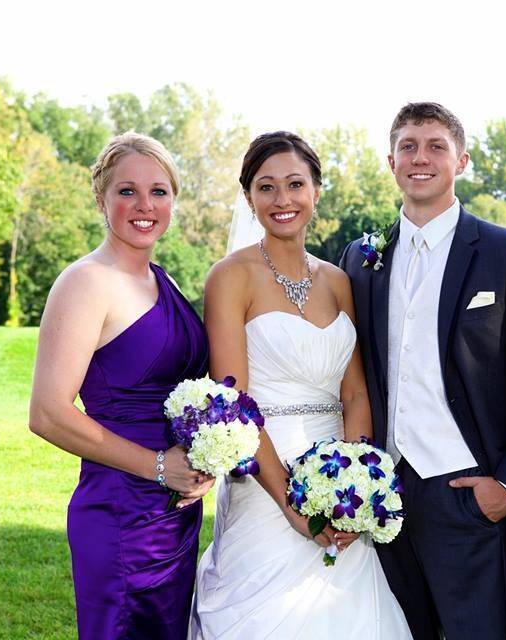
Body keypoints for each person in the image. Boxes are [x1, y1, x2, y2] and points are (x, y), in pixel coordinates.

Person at [339, 102, 506, 640]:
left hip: (468, 491)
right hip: (383, 492)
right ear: (390, 160)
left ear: (462, 160)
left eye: (435, 147)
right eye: (408, 146)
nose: (420, 158)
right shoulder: (361, 257)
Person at [189, 131, 412, 639]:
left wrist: (358, 490)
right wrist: (293, 508)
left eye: (295, 184)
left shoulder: (338, 280)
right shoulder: (231, 276)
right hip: (266, 481)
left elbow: (353, 393)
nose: (282, 199)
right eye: (266, 188)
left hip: (340, 480)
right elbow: (235, 404)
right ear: (249, 198)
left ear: (315, 190)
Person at [29, 132, 213, 639]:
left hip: (172, 514)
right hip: (119, 511)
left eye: (159, 191)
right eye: (126, 191)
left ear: (174, 200)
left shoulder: (164, 280)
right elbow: (47, 412)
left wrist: (206, 458)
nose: (144, 205)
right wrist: (159, 467)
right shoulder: (86, 282)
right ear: (101, 198)